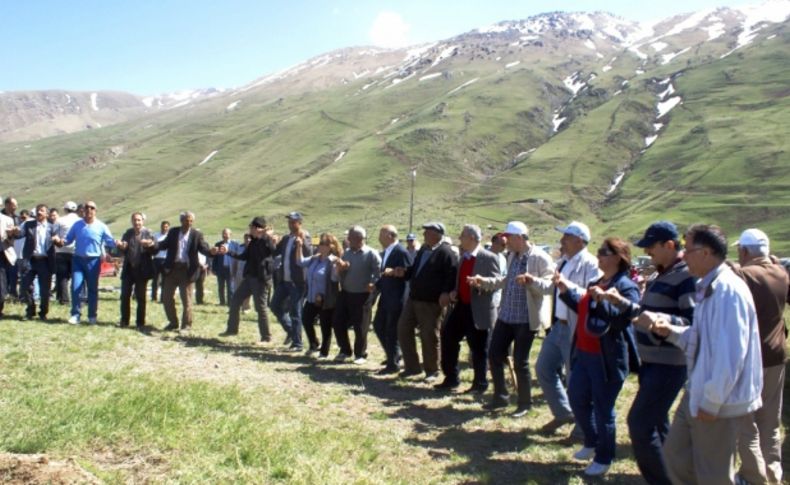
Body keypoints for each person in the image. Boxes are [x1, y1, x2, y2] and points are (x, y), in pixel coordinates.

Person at [650, 224, 763, 484]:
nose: (683, 255)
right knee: (675, 456)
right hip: (699, 390)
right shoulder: (708, 287)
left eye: (688, 250)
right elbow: (703, 340)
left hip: (718, 399)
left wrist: (712, 401)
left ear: (706, 253)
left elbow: (730, 354)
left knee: (714, 472)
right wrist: (672, 332)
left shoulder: (727, 291)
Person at [602, 221, 695, 485]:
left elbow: (691, 322)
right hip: (652, 362)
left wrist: (659, 321)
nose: (648, 252)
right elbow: (645, 313)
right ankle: (673, 476)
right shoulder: (661, 274)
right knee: (658, 426)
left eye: (652, 247)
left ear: (669, 245)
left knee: (639, 424)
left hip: (669, 363)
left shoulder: (686, 277)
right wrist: (621, 302)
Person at [555, 237, 640, 477]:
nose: (599, 255)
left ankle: (605, 455)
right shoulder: (596, 281)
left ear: (618, 257)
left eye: (604, 252)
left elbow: (622, 320)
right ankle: (592, 442)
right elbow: (584, 309)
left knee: (604, 409)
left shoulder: (625, 287)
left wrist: (602, 300)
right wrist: (564, 290)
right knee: (577, 398)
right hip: (583, 352)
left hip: (607, 358)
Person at [475, 221, 554, 416]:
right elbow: (505, 281)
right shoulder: (511, 256)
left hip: (526, 318)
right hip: (506, 315)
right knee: (494, 354)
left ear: (519, 238)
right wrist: (484, 282)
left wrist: (531, 280)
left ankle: (524, 404)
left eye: (508, 238)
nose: (505, 242)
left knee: (521, 361)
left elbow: (551, 286)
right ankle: (500, 397)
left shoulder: (539, 258)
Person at [731, 229, 788, 484]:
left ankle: (753, 475)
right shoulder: (781, 273)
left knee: (746, 421)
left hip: (751, 357)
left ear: (744, 251)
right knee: (770, 421)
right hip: (777, 355)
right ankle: (773, 472)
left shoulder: (744, 275)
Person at [537, 221, 601, 434]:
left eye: (567, 237)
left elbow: (591, 296)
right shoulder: (563, 261)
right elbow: (554, 287)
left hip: (576, 329)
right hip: (559, 326)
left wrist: (567, 285)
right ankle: (563, 413)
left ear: (579, 241)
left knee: (576, 380)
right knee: (544, 368)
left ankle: (583, 430)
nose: (562, 240)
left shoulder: (591, 264)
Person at [436, 224, 500, 392]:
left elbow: (496, 283)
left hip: (478, 309)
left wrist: (479, 285)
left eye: (462, 235)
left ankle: (480, 383)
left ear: (472, 238)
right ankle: (451, 378)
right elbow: (460, 280)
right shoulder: (463, 257)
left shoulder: (488, 257)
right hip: (461, 306)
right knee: (448, 337)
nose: (460, 238)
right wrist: (454, 292)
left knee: (478, 347)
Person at [393, 222, 458, 382]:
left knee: (429, 335)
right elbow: (416, 270)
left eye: (427, 232)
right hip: (414, 299)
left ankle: (432, 371)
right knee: (403, 328)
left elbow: (451, 275)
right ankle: (412, 367)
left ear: (437, 234)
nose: (424, 235)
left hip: (432, 302)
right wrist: (404, 272)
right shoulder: (423, 250)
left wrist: (445, 293)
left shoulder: (446, 252)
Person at [153, 211, 219, 332]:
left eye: (191, 221)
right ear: (181, 221)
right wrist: (153, 244)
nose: (189, 223)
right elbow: (164, 244)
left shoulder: (196, 234)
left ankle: (186, 325)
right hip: (171, 269)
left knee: (187, 300)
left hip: (187, 271)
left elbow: (203, 249)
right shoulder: (173, 232)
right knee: (166, 298)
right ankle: (173, 323)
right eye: (186, 220)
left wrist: (211, 252)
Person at [57, 201, 117, 325]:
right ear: (82, 210)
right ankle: (75, 315)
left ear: (95, 210)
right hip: (78, 259)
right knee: (75, 287)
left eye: (92, 208)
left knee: (92, 289)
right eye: (86, 207)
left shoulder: (101, 226)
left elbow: (110, 241)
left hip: (93, 261)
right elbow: (68, 240)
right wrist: (60, 241)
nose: (89, 209)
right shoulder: (77, 225)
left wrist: (119, 244)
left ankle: (92, 316)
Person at [220, 217, 276, 342]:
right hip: (249, 278)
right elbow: (244, 256)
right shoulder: (253, 242)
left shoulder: (267, 240)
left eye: (251, 227)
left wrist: (265, 236)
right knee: (235, 300)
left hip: (261, 279)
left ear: (257, 228)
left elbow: (273, 251)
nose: (249, 229)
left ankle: (266, 337)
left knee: (260, 308)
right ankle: (232, 329)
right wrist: (229, 252)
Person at [332, 225, 381, 363]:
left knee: (360, 326)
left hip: (362, 295)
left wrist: (373, 284)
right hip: (346, 292)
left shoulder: (371, 253)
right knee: (337, 321)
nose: (347, 239)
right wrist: (341, 268)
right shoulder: (346, 253)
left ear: (358, 238)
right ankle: (345, 350)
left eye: (350, 236)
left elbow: (379, 273)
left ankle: (360, 354)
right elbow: (342, 272)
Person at [373, 225, 412, 374]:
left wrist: (396, 272)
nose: (379, 237)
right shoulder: (387, 252)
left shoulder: (400, 252)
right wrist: (376, 286)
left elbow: (407, 273)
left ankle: (393, 363)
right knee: (378, 325)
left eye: (381, 234)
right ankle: (393, 354)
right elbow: (384, 274)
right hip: (386, 296)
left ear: (390, 236)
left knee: (391, 331)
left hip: (397, 297)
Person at [296, 233, 342, 358]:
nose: (319, 246)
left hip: (325, 299)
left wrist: (337, 268)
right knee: (306, 320)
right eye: (319, 243)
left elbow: (335, 279)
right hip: (312, 297)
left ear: (329, 246)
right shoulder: (314, 258)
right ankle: (314, 343)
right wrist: (299, 246)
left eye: (322, 244)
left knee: (325, 325)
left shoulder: (332, 261)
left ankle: (324, 352)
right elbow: (300, 262)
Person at [271, 211, 313, 349]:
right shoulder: (286, 238)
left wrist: (302, 243)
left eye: (293, 222)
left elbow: (309, 255)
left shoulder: (305, 236)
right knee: (275, 305)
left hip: (298, 282)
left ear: (300, 223)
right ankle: (291, 331)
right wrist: (270, 240)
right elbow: (275, 252)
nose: (290, 224)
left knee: (296, 311)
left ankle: (297, 343)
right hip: (284, 280)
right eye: (289, 221)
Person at [17, 204, 59, 321]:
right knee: (24, 286)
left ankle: (43, 312)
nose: (39, 213)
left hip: (45, 261)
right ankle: (30, 310)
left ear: (47, 214)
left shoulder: (52, 227)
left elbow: (58, 241)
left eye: (42, 211)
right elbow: (19, 235)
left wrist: (57, 241)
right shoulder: (29, 225)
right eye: (37, 211)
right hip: (30, 260)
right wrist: (14, 232)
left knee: (45, 290)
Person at [116, 212, 156, 329]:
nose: (137, 222)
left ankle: (140, 322)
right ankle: (124, 321)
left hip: (142, 270)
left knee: (141, 297)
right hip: (129, 269)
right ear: (131, 221)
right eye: (134, 220)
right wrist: (121, 246)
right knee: (124, 296)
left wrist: (150, 244)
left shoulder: (148, 233)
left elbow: (155, 249)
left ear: (143, 221)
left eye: (139, 220)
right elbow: (123, 249)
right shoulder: (128, 233)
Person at [54, 201, 80, 305]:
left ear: (65, 210)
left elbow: (54, 234)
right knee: (76, 276)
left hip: (62, 251)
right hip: (76, 252)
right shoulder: (81, 221)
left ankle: (64, 299)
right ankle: (77, 298)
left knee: (62, 277)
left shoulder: (60, 220)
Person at [0, 209, 18, 318]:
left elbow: (12, 240)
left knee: (1, 282)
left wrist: (11, 234)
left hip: (2, 253)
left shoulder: (7, 220)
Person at [213, 228, 234, 306]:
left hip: (230, 269)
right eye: (223, 234)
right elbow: (215, 258)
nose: (224, 235)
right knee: (220, 287)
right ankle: (222, 302)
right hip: (220, 269)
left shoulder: (234, 244)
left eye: (226, 233)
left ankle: (230, 303)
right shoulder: (218, 244)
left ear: (230, 235)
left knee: (230, 287)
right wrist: (214, 268)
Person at [150, 220, 170, 302]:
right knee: (155, 279)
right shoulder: (155, 236)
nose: (164, 228)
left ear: (168, 228)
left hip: (166, 259)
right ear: (161, 227)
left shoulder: (170, 236)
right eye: (163, 226)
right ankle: (154, 297)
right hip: (156, 259)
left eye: (166, 227)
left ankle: (163, 298)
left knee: (165, 280)